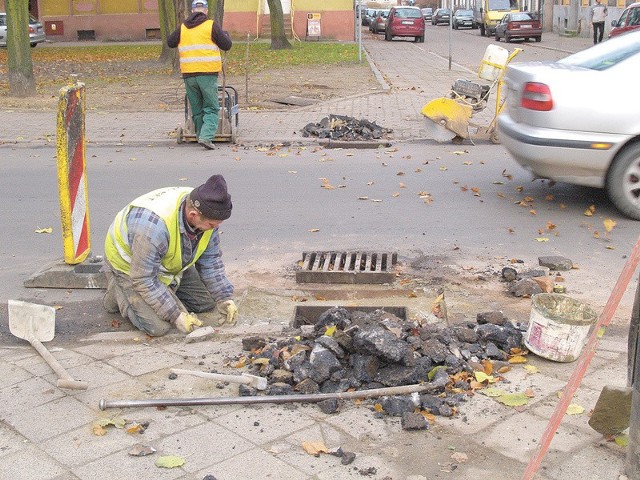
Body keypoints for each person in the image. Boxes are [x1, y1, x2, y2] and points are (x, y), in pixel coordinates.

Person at [103, 174, 238, 336]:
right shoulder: (153, 228)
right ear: (193, 215)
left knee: (205, 303)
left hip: (167, 263)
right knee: (159, 327)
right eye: (212, 224)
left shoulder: (206, 208)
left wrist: (224, 298)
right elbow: (143, 278)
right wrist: (175, 315)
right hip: (132, 268)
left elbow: (211, 261)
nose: (216, 227)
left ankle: (166, 288)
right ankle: (117, 288)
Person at [167, 0, 232, 150]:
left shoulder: (183, 27)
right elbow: (227, 45)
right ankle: (206, 137)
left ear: (192, 11)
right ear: (206, 10)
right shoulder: (210, 25)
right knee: (211, 107)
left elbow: (170, 42)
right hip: (207, 73)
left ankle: (199, 136)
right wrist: (225, 36)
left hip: (188, 74)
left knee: (196, 108)